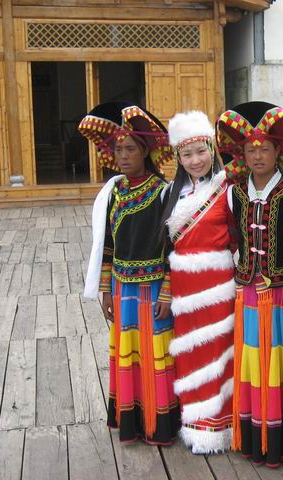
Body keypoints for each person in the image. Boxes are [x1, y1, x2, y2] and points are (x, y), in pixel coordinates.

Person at [216, 101, 283, 467]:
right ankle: (259, 436)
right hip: (249, 295)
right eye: (251, 149)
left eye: (265, 149)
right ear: (241, 154)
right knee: (255, 363)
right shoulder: (233, 193)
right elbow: (229, 240)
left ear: (278, 152)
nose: (257, 155)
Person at [80, 102, 180, 445]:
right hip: (123, 291)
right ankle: (132, 421)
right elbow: (107, 245)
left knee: (155, 355)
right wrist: (106, 289)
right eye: (119, 150)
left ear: (145, 151)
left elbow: (173, 247)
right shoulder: (114, 192)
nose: (123, 156)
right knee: (129, 355)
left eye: (131, 149)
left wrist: (167, 290)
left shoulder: (163, 192)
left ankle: (159, 422)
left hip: (154, 291)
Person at [159, 110, 235, 454]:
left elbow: (238, 237)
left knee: (218, 351)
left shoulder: (227, 189)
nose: (195, 160)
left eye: (201, 151)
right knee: (190, 353)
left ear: (212, 149)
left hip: (218, 284)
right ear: (178, 157)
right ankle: (193, 423)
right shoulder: (170, 194)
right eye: (187, 154)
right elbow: (164, 249)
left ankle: (220, 425)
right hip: (183, 286)